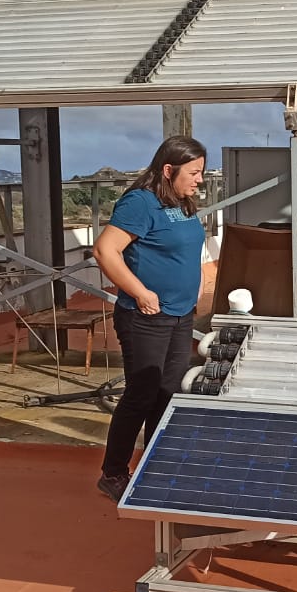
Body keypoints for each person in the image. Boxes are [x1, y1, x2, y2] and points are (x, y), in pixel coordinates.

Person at [92, 136, 208, 501]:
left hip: (180, 314)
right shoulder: (140, 203)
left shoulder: (182, 202)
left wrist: (196, 287)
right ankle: (113, 473)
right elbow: (105, 250)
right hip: (145, 316)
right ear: (169, 170)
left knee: (168, 392)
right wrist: (140, 292)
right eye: (194, 173)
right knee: (141, 394)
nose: (199, 180)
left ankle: (156, 464)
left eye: (201, 173)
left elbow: (186, 249)